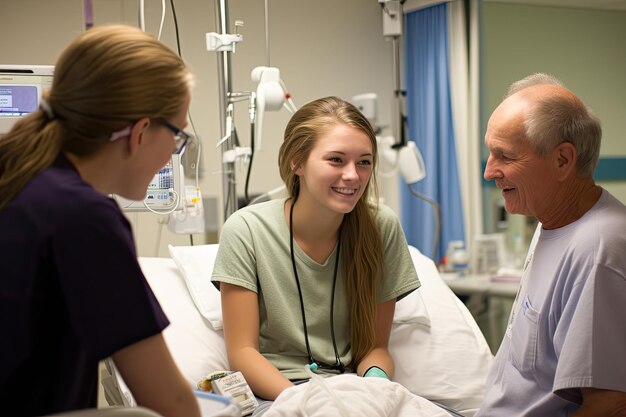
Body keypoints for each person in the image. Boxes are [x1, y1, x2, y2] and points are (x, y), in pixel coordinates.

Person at [0, 24, 201, 417]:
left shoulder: (18, 180)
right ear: (140, 131)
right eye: (177, 136)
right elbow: (168, 400)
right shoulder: (82, 217)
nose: (172, 153)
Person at [211, 96, 420, 413]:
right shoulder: (246, 230)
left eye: (364, 162)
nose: (353, 175)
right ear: (297, 163)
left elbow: (375, 346)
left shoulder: (380, 227)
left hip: (356, 392)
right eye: (336, 160)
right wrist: (309, 403)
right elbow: (242, 352)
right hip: (279, 395)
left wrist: (376, 386)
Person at [476, 73, 626, 416]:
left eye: (505, 156)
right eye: (490, 153)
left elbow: (609, 404)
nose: (489, 171)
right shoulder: (553, 220)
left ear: (562, 160)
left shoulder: (599, 251)